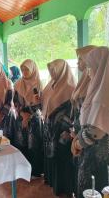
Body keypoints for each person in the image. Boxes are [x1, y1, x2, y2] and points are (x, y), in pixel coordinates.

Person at [71, 47, 109, 197]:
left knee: (96, 191)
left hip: (100, 160)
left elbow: (96, 131)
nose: (88, 72)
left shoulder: (105, 94)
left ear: (101, 67)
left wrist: (77, 144)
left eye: (90, 67)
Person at [42, 59, 76, 196]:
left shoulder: (70, 87)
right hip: (49, 127)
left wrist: (64, 128)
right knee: (51, 155)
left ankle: (63, 187)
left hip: (62, 130)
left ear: (62, 70)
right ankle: (52, 182)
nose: (51, 73)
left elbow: (72, 113)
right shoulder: (51, 85)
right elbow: (45, 102)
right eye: (50, 70)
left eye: (54, 70)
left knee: (62, 157)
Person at [70, 45, 97, 195]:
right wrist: (75, 132)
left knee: (92, 183)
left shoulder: (98, 86)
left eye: (80, 58)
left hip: (92, 143)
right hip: (80, 135)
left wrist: (79, 140)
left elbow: (96, 123)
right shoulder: (85, 80)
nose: (77, 62)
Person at [13, 59, 44, 176]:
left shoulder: (38, 84)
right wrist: (22, 114)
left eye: (27, 69)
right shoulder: (18, 84)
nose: (24, 72)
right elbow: (15, 101)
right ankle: (23, 170)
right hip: (21, 118)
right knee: (21, 143)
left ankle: (35, 171)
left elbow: (40, 104)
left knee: (34, 145)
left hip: (34, 119)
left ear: (32, 69)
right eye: (22, 69)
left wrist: (28, 116)